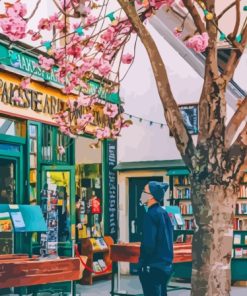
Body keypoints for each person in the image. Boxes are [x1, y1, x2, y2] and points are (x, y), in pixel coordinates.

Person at [138, 181, 173, 296]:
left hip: (152, 266)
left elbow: (149, 244)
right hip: (165, 265)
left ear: (152, 195)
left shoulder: (150, 215)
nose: (142, 193)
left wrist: (143, 263)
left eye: (145, 191)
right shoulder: (164, 213)